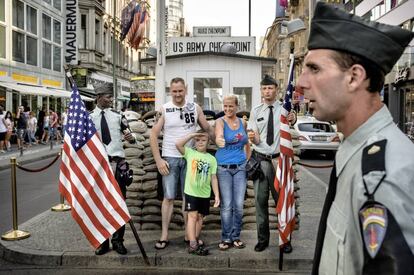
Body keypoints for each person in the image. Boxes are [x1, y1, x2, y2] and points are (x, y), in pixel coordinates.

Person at [296, 3, 414, 274]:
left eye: (314, 69)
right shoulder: (354, 149)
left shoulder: (384, 177)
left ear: (354, 78)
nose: (301, 83)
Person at [150, 77, 214, 250]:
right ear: (170, 91)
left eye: (180, 90)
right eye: (174, 91)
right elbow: (153, 134)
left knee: (189, 198)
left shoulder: (195, 108)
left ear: (185, 89)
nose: (178, 94)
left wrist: (221, 141)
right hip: (170, 158)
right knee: (169, 197)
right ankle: (164, 235)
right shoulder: (165, 109)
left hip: (190, 159)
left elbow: (207, 128)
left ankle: (189, 235)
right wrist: (158, 160)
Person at [247, 74, 296, 253]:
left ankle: (285, 240)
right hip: (261, 161)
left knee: (281, 201)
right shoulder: (256, 111)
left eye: (270, 88)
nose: (267, 91)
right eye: (264, 88)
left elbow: (291, 120)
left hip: (278, 162)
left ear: (276, 90)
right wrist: (252, 136)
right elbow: (252, 133)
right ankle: (262, 240)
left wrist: (293, 118)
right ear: (261, 91)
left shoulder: (283, 109)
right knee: (260, 202)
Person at [90, 82, 136, 255]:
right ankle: (103, 241)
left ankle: (118, 241)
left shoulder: (118, 116)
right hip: (98, 165)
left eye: (111, 96)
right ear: (99, 97)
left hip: (117, 164)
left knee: (118, 203)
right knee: (100, 204)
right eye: (108, 97)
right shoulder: (88, 118)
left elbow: (131, 137)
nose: (111, 100)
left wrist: (132, 137)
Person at [175, 131, 220, 256]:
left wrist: (216, 194)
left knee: (200, 218)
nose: (200, 142)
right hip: (191, 192)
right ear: (195, 141)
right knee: (192, 217)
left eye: (203, 140)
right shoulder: (190, 153)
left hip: (205, 194)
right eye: (198, 140)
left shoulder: (212, 159)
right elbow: (178, 145)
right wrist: (190, 135)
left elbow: (213, 178)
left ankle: (194, 238)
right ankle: (193, 244)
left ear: (208, 142)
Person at [215, 95, 249, 250]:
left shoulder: (243, 122)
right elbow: (219, 136)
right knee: (227, 205)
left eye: (231, 106)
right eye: (225, 106)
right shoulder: (220, 122)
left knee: (239, 205)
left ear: (237, 106)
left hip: (240, 168)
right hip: (224, 169)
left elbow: (247, 142)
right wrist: (219, 140)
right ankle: (226, 237)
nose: (228, 109)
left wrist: (246, 159)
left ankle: (236, 236)